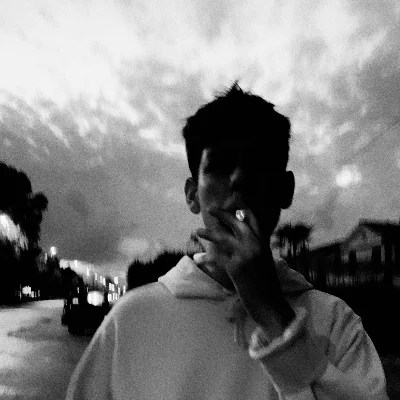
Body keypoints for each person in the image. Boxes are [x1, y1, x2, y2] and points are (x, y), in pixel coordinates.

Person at [66, 83, 388, 399]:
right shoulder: (131, 321)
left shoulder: (335, 323)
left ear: (285, 189)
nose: (238, 179)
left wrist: (273, 313)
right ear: (192, 195)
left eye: (259, 163)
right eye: (219, 166)